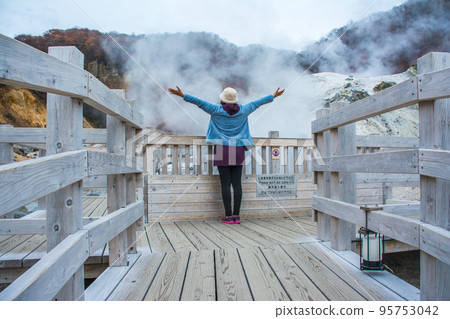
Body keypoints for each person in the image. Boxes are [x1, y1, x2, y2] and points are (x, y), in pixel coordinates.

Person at [168, 86, 285, 224]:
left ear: (222, 99)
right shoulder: (244, 110)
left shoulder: (216, 110)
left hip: (222, 149)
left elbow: (199, 102)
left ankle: (228, 216)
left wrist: (182, 95)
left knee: (225, 184)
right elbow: (258, 103)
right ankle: (237, 216)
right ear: (235, 100)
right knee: (237, 184)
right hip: (238, 149)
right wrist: (274, 95)